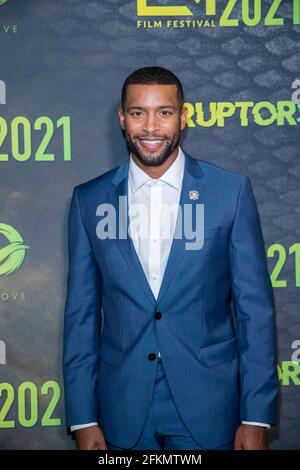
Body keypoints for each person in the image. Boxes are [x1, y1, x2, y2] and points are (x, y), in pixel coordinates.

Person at [62, 66, 278, 450]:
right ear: (122, 119)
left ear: (183, 116)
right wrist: (83, 417)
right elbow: (81, 315)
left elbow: (253, 312)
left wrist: (255, 416)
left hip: (210, 409)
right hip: (121, 410)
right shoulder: (89, 200)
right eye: (137, 112)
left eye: (164, 112)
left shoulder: (230, 192)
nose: (150, 127)